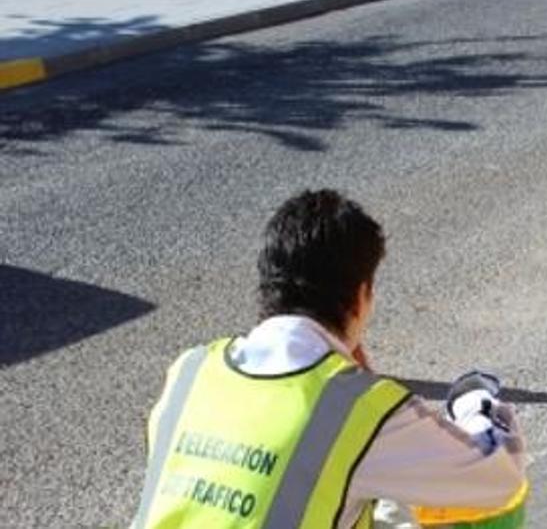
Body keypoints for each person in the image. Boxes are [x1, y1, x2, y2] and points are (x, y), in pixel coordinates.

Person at [131, 189, 526, 528]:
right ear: (360, 295)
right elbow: (500, 477)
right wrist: (476, 404)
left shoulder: (191, 371)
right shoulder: (357, 409)